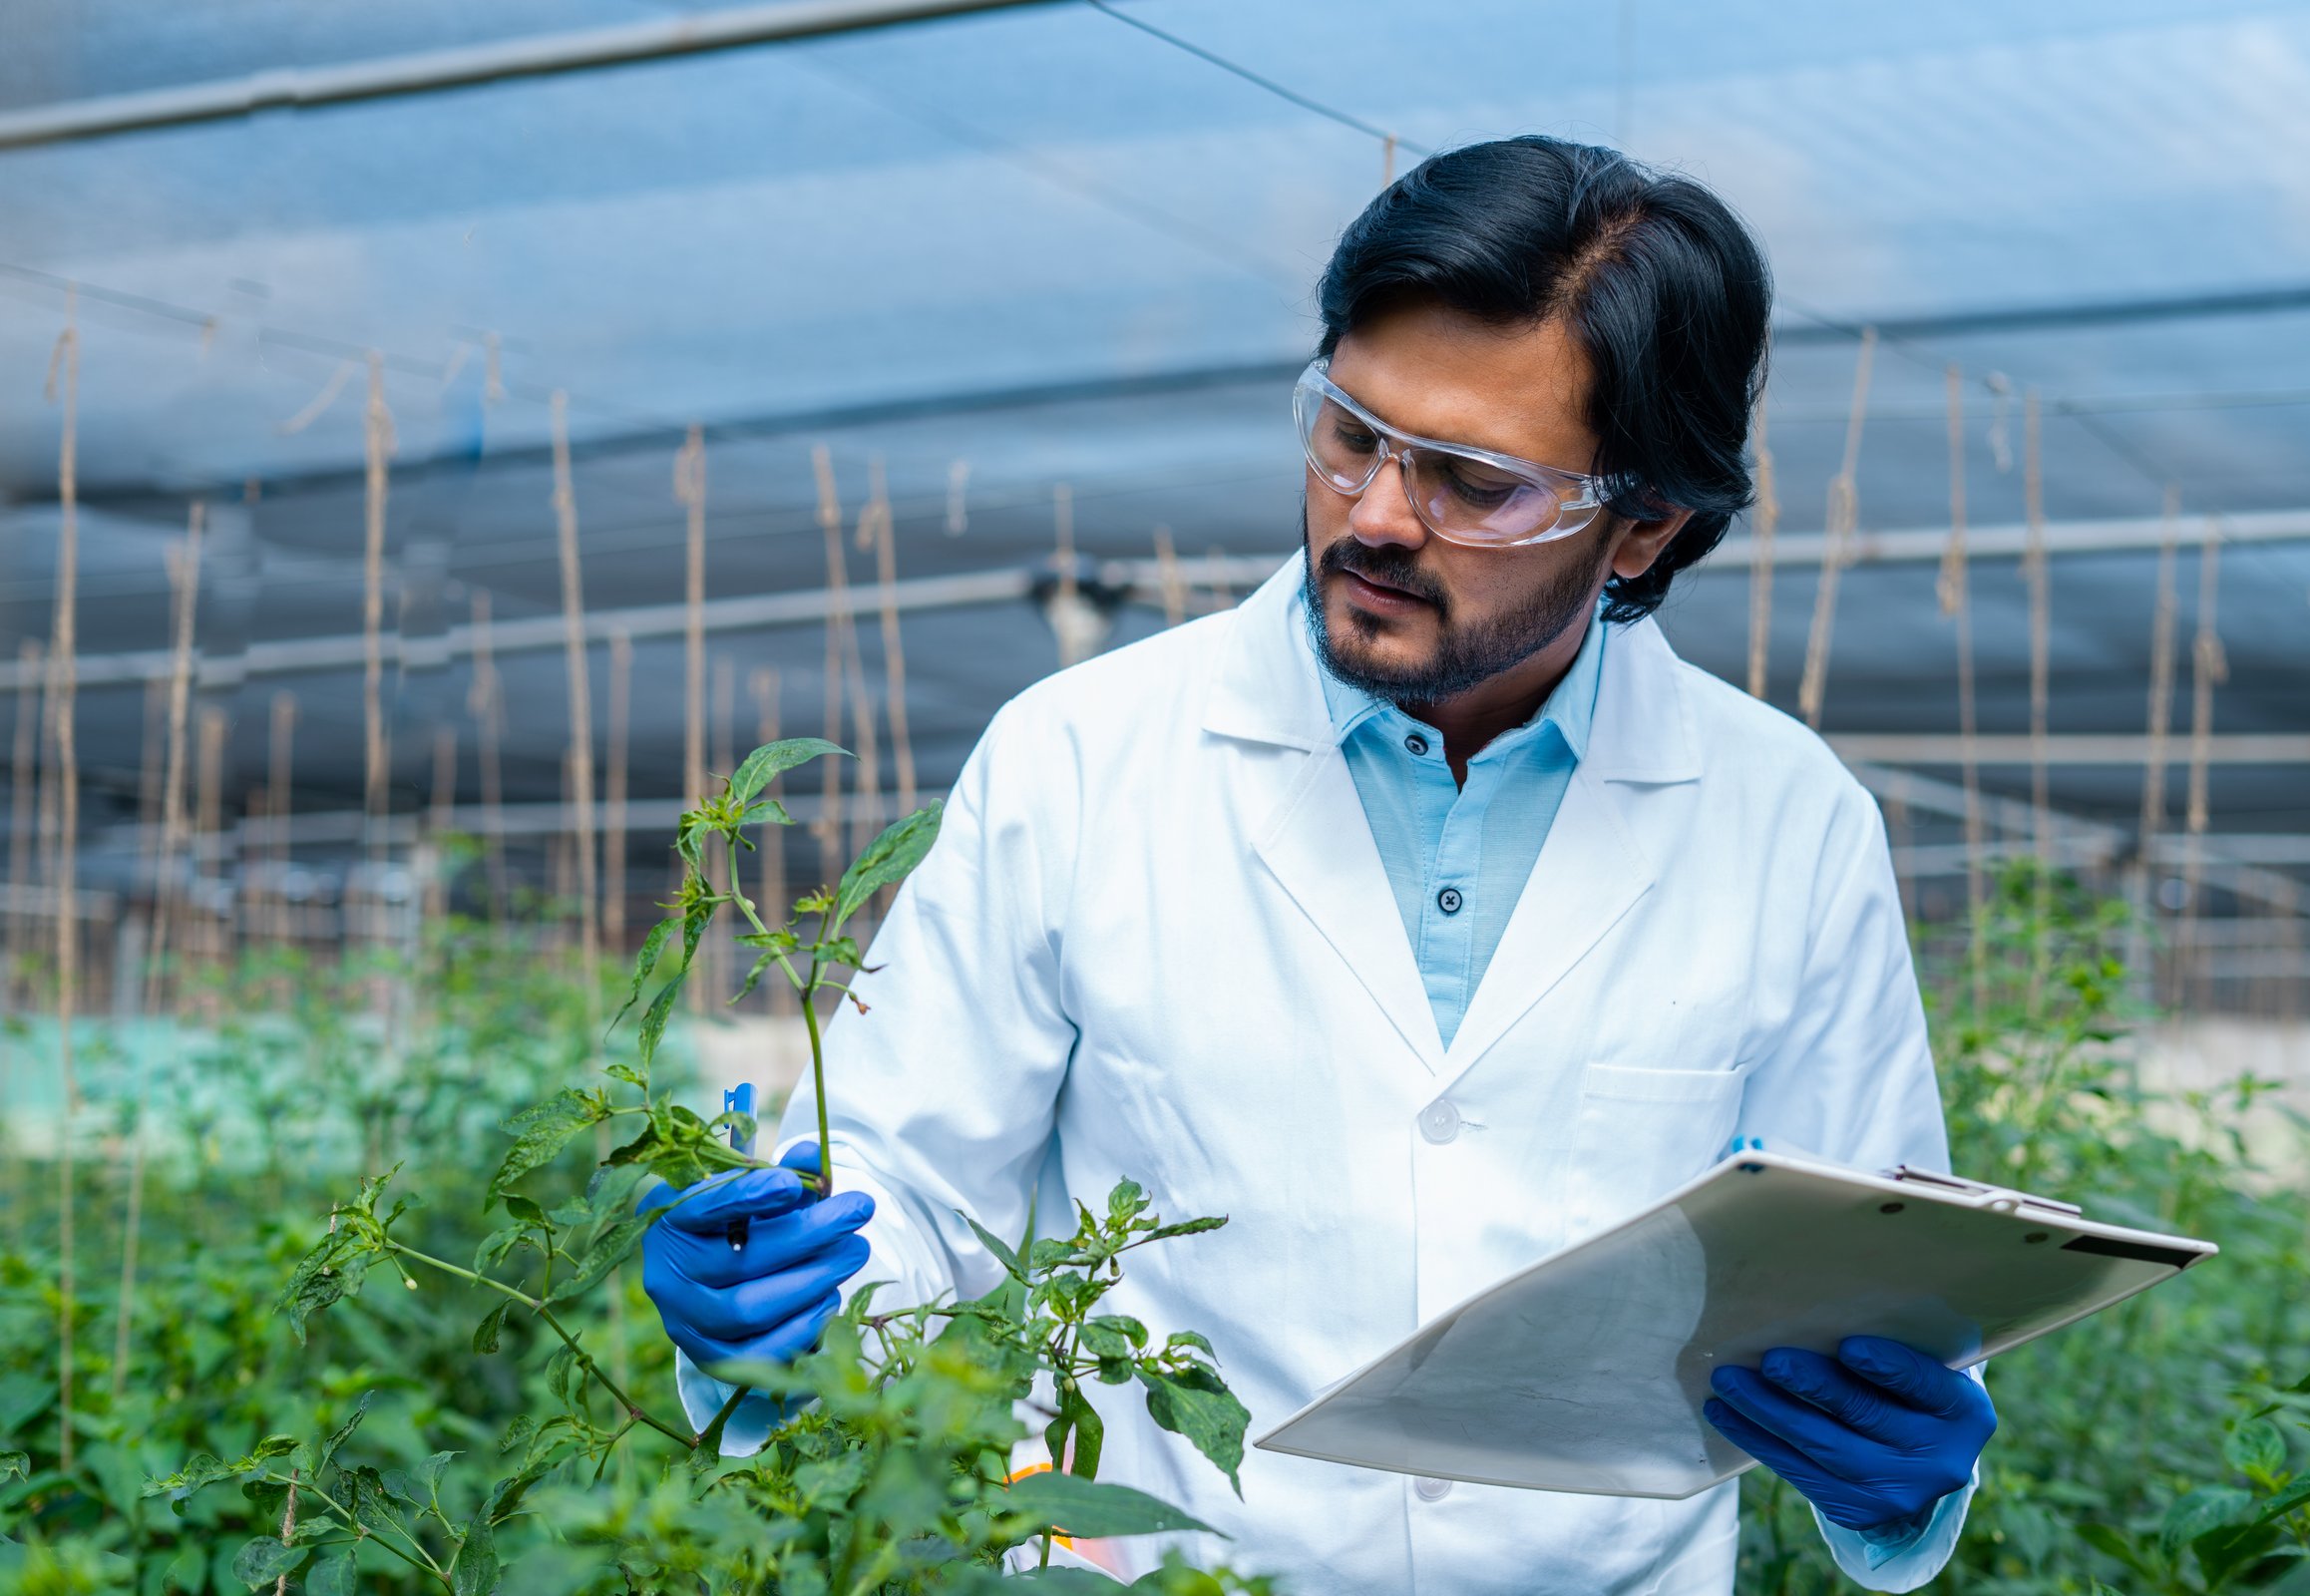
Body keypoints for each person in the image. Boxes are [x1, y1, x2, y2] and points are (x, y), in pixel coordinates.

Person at [640, 136, 1995, 1594]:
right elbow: (903, 1177)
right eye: (1351, 431)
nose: (1377, 516)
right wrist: (771, 1309)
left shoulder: (1788, 821)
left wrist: (1900, 1492)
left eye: (1475, 482)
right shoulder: (1083, 759)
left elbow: (1873, 1271)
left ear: (1642, 526)